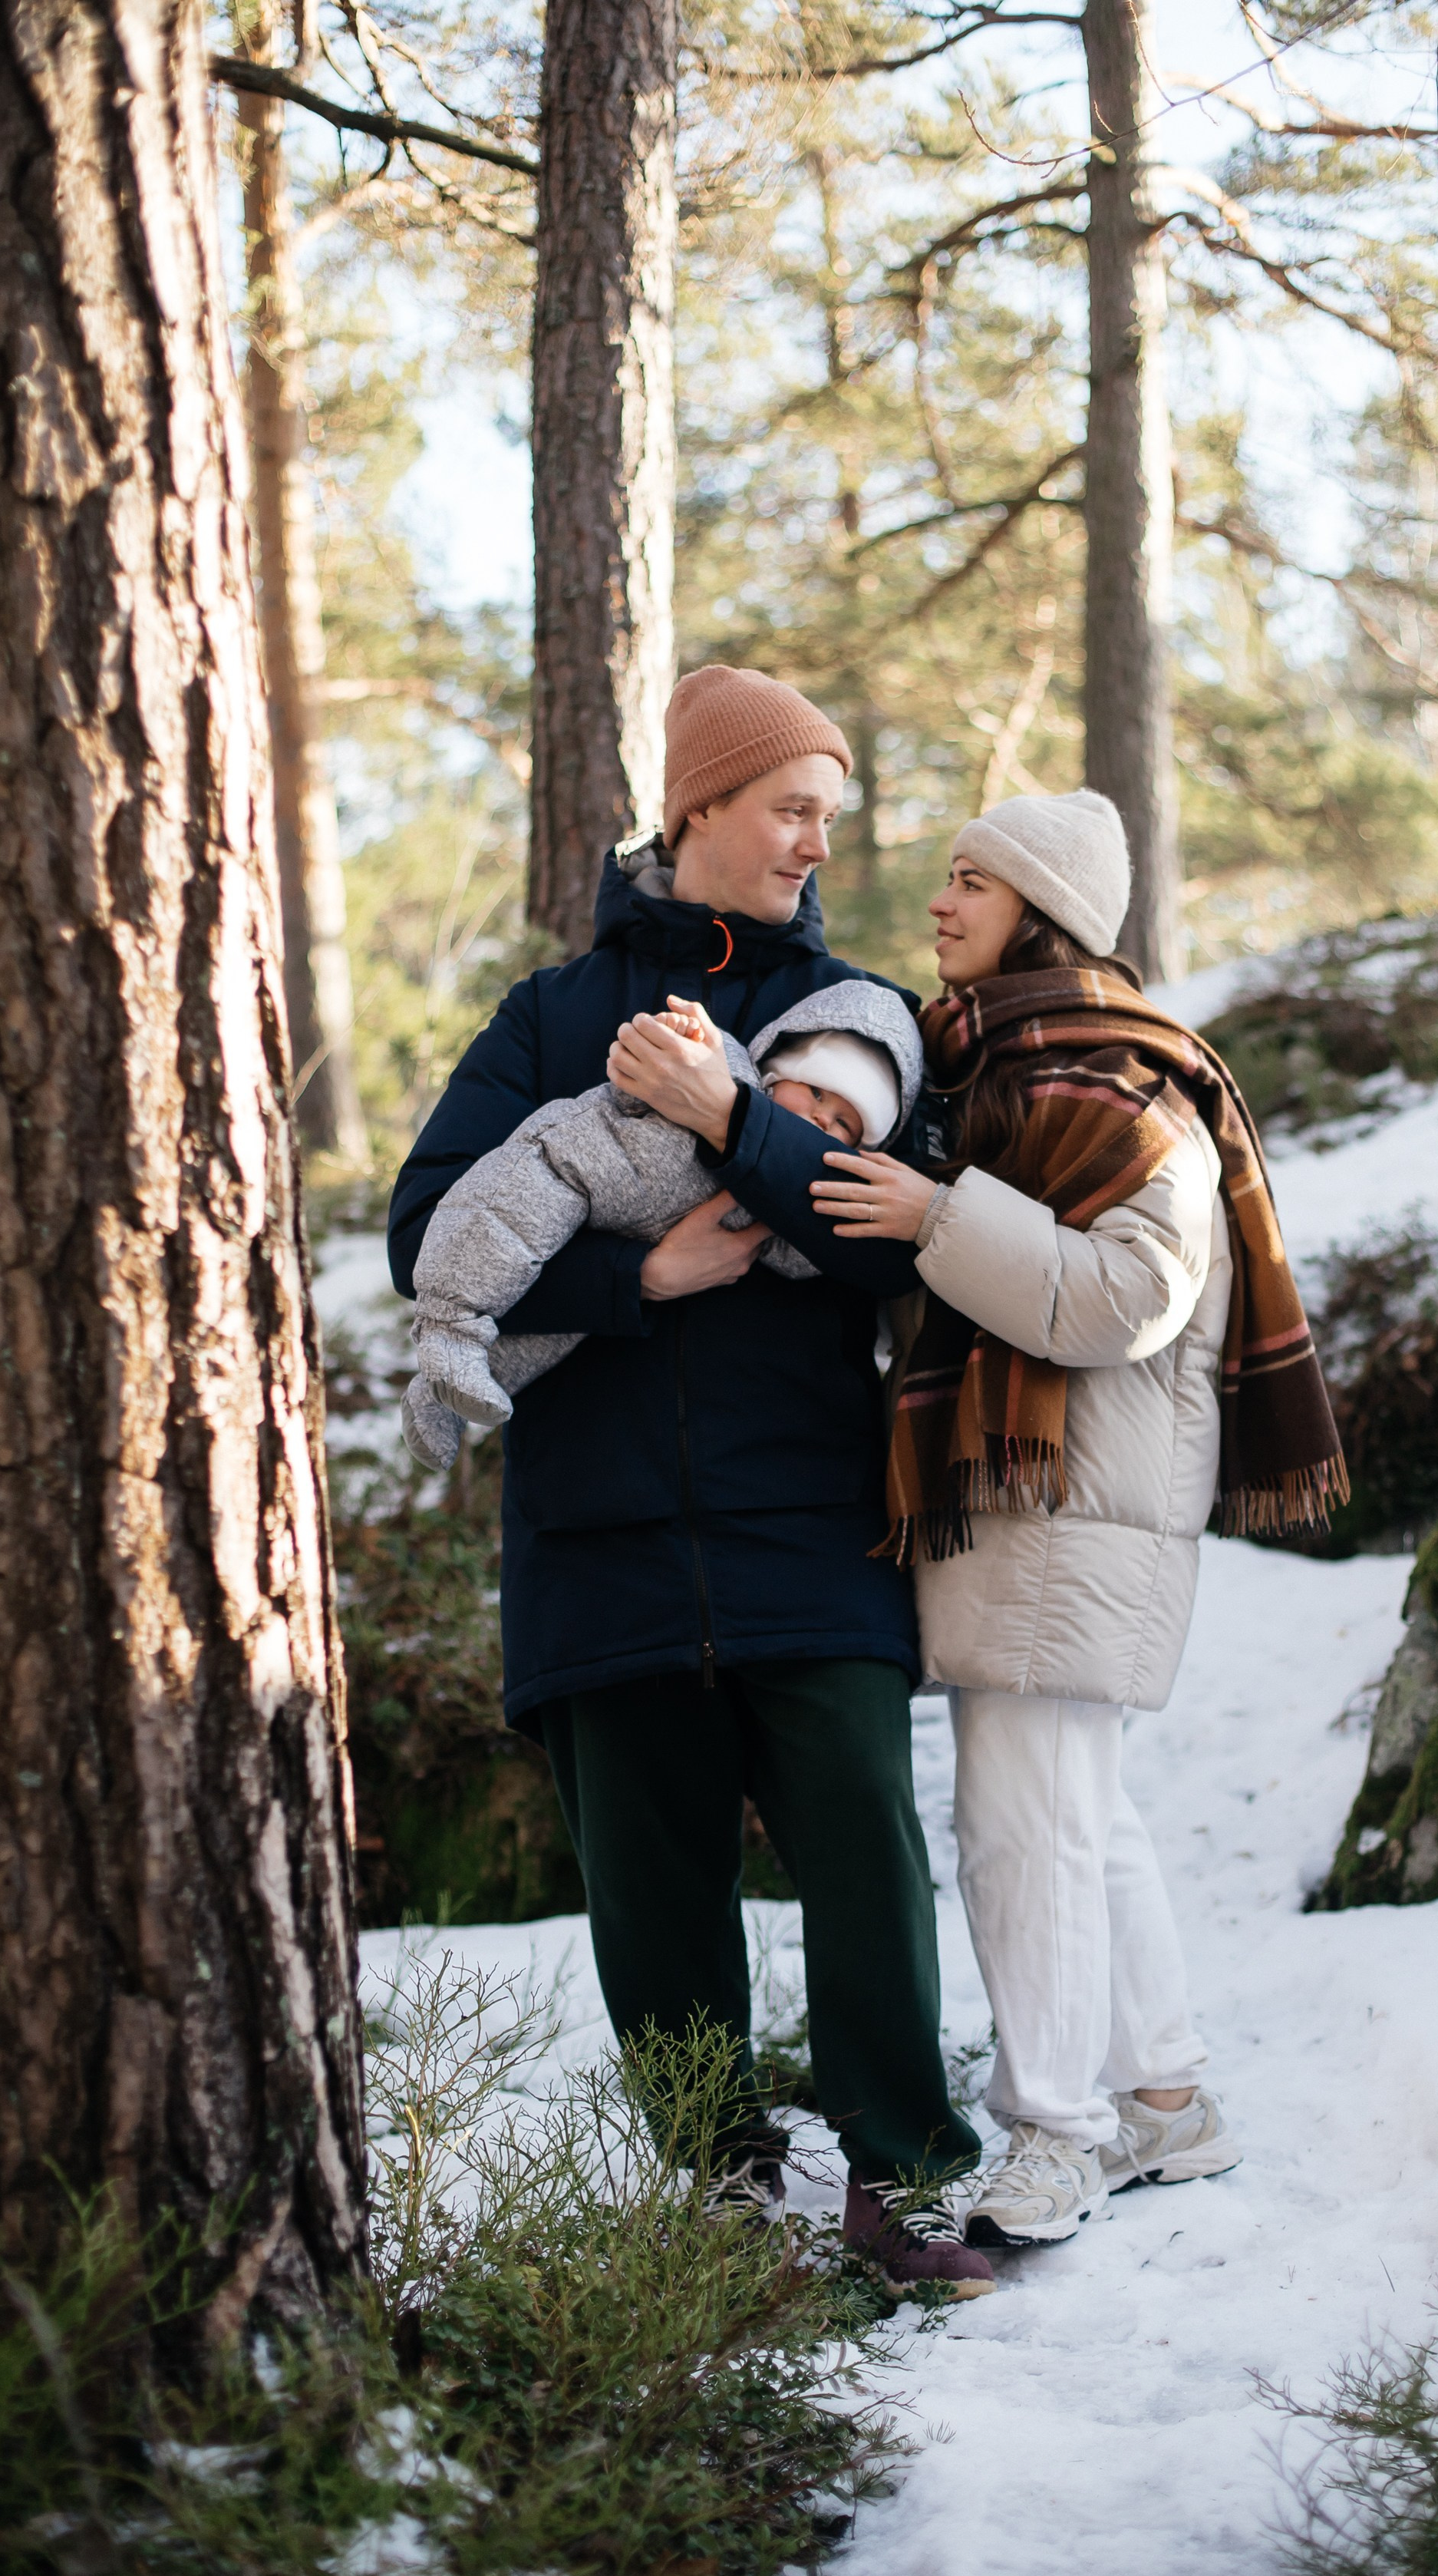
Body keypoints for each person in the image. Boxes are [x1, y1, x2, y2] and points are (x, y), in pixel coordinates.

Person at [387, 665, 993, 2300]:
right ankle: (717, 2183)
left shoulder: (854, 1021)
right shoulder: (545, 1019)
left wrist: (734, 1117)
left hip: (808, 1521)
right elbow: (424, 1237)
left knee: (865, 1846)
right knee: (652, 1897)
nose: (813, 841)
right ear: (699, 807)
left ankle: (902, 2176)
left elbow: (883, 1232)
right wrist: (633, 1282)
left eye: (826, 815)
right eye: (789, 806)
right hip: (596, 1539)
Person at [810, 788, 1347, 2251]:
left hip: (1070, 1506)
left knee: (1021, 1826)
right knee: (1077, 1816)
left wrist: (931, 1217)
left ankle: (1055, 2132)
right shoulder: (1007, 1076)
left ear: (1042, 910)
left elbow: (1127, 1297)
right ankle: (1163, 2101)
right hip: (1040, 1502)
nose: (937, 903)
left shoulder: (1115, 1088)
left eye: (970, 881)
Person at [398, 983, 919, 1471]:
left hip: (782, 1482)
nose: (822, 1121)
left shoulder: (785, 1194)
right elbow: (632, 1088)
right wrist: (637, 1275)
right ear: (778, 1072)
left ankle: (439, 1398)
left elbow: (867, 1253)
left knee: (545, 1338)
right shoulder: (717, 1059)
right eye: (819, 1094)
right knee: (503, 1226)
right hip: (574, 1170)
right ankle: (450, 1329)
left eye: (845, 1124)